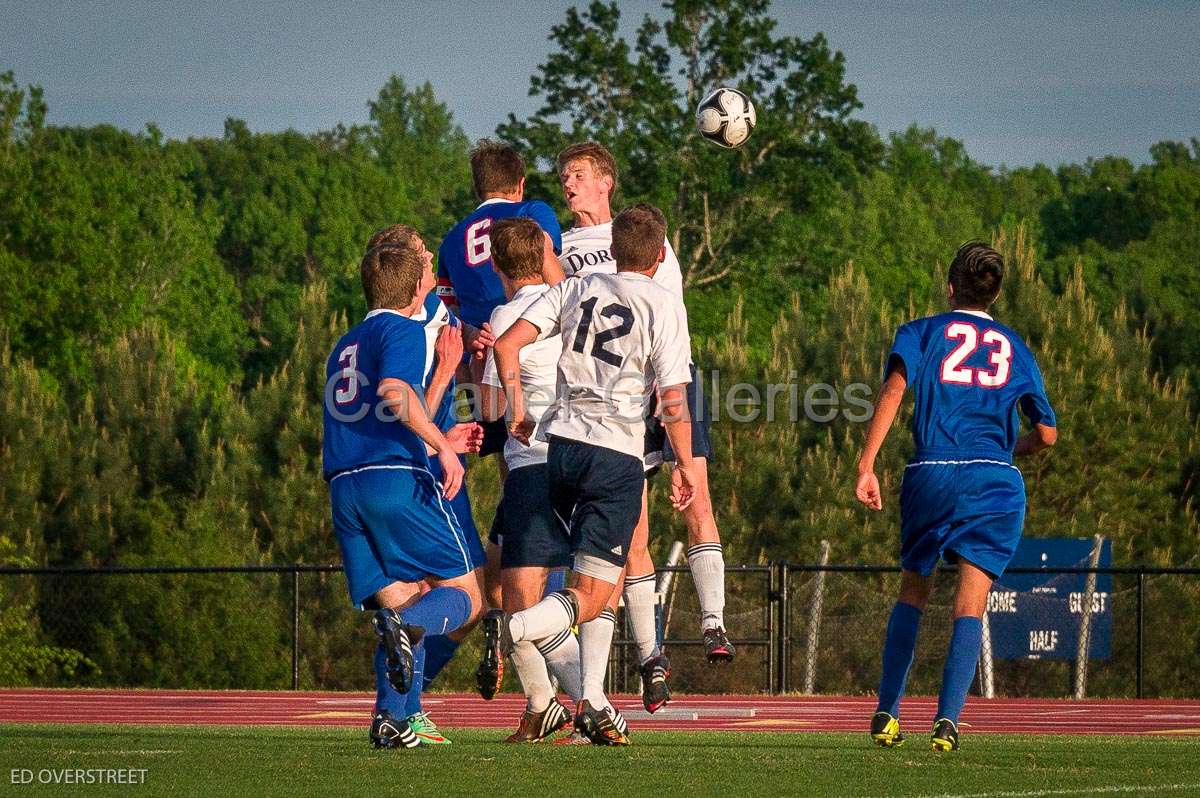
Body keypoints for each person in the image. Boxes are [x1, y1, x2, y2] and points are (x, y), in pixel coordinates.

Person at [480, 204, 697, 746]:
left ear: (614, 247)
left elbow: (507, 344)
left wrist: (516, 410)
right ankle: (524, 626)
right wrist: (685, 463)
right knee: (599, 589)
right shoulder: (664, 303)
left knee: (590, 571)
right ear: (660, 255)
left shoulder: (577, 287)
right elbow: (672, 398)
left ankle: (594, 700)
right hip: (615, 454)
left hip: (562, 448)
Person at [854, 241, 1057, 752]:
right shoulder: (1015, 347)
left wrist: (867, 463)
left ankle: (887, 711)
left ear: (950, 288)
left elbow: (895, 391)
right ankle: (947, 722)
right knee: (970, 603)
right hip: (993, 479)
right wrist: (1006, 449)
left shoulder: (921, 331)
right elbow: (1049, 433)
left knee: (913, 590)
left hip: (933, 471)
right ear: (996, 293)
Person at [556, 142, 733, 717]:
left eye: (578, 175)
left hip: (665, 383)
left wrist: (667, 398)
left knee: (696, 496)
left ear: (606, 181)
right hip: (608, 404)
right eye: (563, 176)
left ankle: (712, 622)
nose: (568, 185)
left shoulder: (643, 239)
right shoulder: (560, 249)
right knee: (633, 535)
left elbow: (667, 315)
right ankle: (652, 655)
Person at [323, 242, 487, 750]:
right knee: (468, 598)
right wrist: (443, 447)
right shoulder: (403, 329)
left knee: (407, 599)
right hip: (394, 479)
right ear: (419, 288)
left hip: (346, 488)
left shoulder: (346, 343)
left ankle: (393, 720)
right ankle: (404, 631)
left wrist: (439, 381)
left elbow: (389, 411)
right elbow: (396, 393)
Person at [437, 139, 566, 611]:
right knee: (552, 501)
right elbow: (556, 276)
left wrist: (481, 353)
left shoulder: (451, 240)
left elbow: (458, 324)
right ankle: (545, 614)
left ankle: (507, 610)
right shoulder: (532, 213)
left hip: (487, 368)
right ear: (520, 183)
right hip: (542, 358)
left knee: (516, 477)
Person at [477, 217, 578, 742]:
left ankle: (564, 704)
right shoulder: (570, 299)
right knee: (493, 575)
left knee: (519, 601)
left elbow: (494, 410)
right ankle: (562, 702)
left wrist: (477, 364)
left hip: (534, 461)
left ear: (495, 266)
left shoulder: (507, 316)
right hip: (576, 454)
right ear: (543, 257)